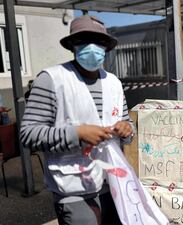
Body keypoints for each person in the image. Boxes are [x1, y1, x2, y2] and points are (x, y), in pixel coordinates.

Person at [20, 15, 134, 225]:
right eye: (84, 41)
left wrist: (127, 129)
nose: (92, 47)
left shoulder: (114, 83)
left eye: (98, 42)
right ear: (73, 45)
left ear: (106, 47)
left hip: (114, 182)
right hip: (73, 187)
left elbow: (126, 124)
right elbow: (28, 134)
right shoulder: (52, 79)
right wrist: (77, 134)